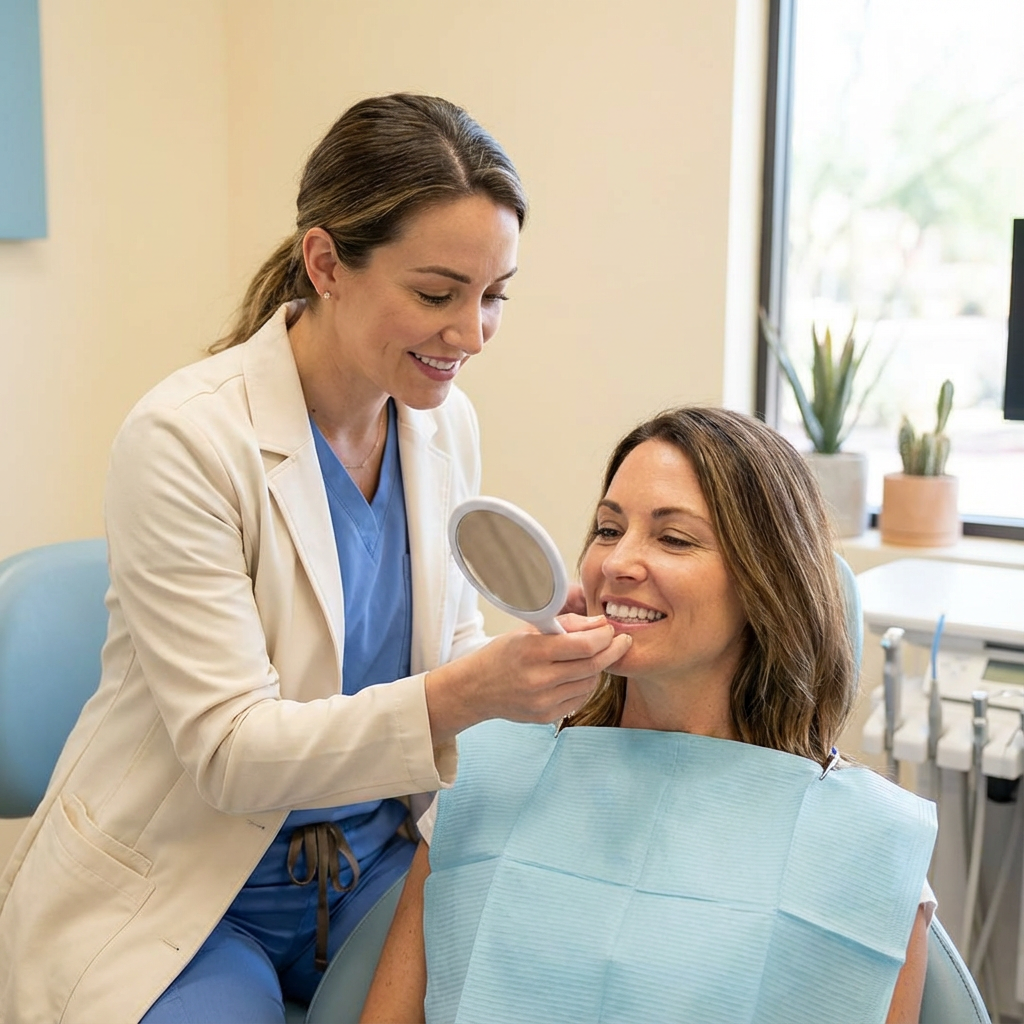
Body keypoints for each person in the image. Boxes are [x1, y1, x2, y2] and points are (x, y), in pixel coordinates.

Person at [0, 93, 631, 1024]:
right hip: (186, 886)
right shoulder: (184, 439)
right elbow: (232, 754)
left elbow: (444, 652)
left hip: (370, 867)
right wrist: (472, 692)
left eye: (493, 295)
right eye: (437, 294)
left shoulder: (443, 423)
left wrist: (532, 663)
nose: (470, 334)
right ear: (326, 262)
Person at [361, 407, 938, 1024]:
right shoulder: (490, 768)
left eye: (675, 538)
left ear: (766, 580)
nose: (616, 563)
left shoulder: (869, 847)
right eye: (609, 529)